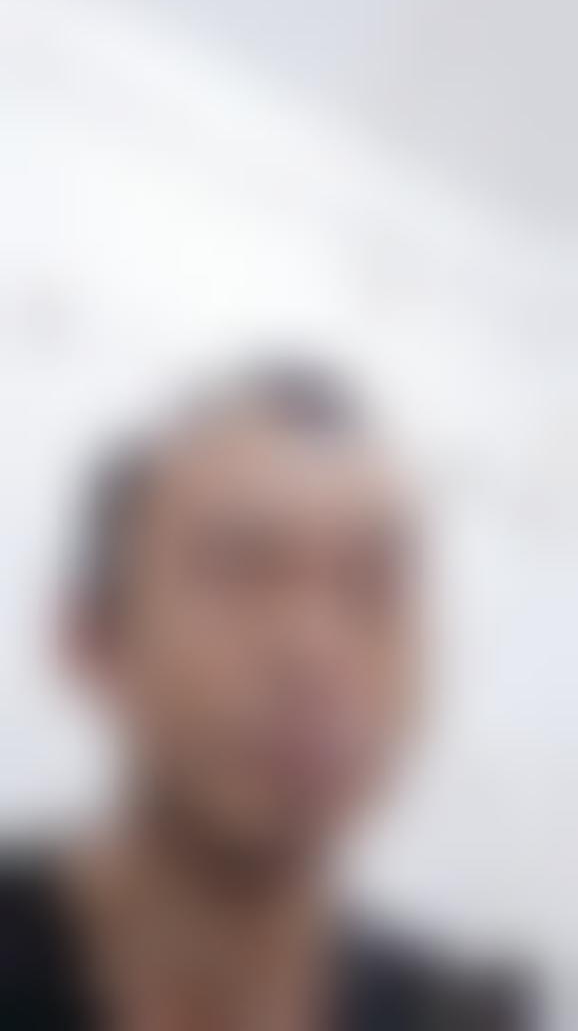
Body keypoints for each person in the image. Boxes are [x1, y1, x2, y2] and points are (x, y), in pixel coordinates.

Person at [0, 363, 527, 1029]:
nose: (314, 648)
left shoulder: (460, 1015)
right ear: (93, 642)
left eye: (371, 588)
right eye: (243, 570)